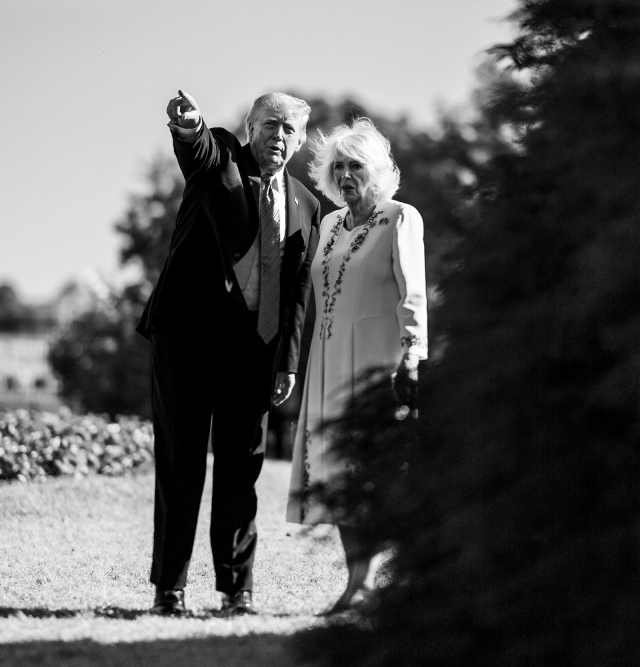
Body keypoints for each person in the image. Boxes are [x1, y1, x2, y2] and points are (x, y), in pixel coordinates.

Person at [137, 88, 320, 617]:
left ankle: (236, 590)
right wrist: (191, 126)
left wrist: (286, 361)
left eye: (289, 130)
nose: (278, 137)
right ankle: (169, 590)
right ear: (249, 127)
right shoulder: (221, 157)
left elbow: (298, 292)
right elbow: (198, 150)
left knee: (242, 470)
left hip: (253, 353)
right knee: (181, 462)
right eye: (269, 125)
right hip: (186, 343)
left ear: (301, 139)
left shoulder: (308, 204)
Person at [286, 117, 427, 613]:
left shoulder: (400, 217)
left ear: (379, 172)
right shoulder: (327, 224)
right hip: (328, 362)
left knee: (377, 474)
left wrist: (413, 353)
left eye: (356, 166)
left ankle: (393, 584)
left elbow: (412, 294)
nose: (346, 175)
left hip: (378, 362)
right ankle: (357, 584)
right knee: (339, 475)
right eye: (338, 167)